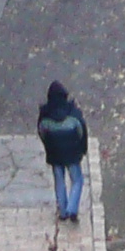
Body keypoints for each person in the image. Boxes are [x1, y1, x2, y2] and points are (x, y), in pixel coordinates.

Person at [37, 80, 90, 222]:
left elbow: (41, 132)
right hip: (72, 153)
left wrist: (49, 146)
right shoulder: (73, 114)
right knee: (77, 180)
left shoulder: (45, 115)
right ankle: (72, 209)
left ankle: (62, 211)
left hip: (55, 153)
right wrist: (82, 149)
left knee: (59, 180)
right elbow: (81, 132)